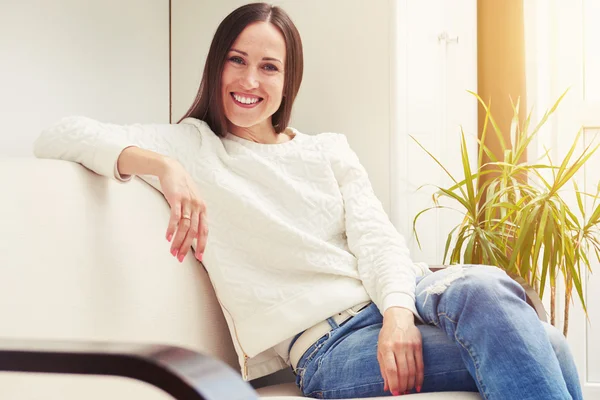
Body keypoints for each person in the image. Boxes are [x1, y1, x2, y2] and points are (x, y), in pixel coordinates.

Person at [34, 3, 582, 399]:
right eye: (236, 60)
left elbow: (376, 237)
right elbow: (58, 134)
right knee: (550, 347)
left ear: (287, 77)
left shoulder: (327, 150)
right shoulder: (191, 145)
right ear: (216, 66)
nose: (250, 80)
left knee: (489, 288)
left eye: (268, 66)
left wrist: (397, 316)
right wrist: (165, 167)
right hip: (327, 350)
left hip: (397, 302)